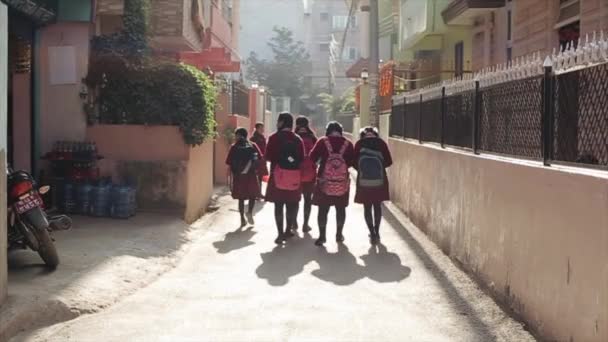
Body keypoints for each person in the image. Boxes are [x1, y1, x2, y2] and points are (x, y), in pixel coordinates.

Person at [309, 121, 355, 246]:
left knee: (323, 209)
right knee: (340, 209)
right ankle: (339, 235)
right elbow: (353, 162)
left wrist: (322, 161)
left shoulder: (322, 141)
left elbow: (312, 158)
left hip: (324, 181)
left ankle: (322, 236)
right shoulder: (348, 144)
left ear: (328, 130)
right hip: (342, 182)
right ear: (340, 131)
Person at [264, 112, 305, 244]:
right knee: (292, 205)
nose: (277, 123)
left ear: (281, 122)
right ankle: (288, 230)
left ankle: (280, 234)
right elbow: (301, 158)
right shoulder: (297, 139)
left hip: (278, 176)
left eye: (278, 121)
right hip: (294, 176)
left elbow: (268, 156)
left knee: (278, 205)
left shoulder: (274, 137)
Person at [353, 126, 393, 245]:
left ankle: (372, 233)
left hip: (363, 181)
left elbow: (354, 162)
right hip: (379, 181)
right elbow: (389, 161)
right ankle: (377, 231)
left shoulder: (359, 144)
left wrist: (363, 171)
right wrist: (378, 168)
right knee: (377, 206)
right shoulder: (381, 143)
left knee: (367, 207)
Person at [226, 127, 263, 227]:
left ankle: (242, 218)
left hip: (239, 176)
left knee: (241, 198)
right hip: (251, 175)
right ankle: (249, 212)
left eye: (236, 135)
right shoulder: (253, 145)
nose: (235, 137)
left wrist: (230, 176)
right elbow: (260, 158)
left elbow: (228, 162)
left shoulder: (234, 147)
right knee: (252, 195)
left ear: (238, 135)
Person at [294, 116, 318, 233]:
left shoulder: (293, 137)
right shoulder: (312, 137)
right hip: (310, 173)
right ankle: (305, 224)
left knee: (294, 199)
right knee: (307, 199)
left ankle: (294, 222)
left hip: (294, 173)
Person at [250, 122, 269, 198]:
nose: (262, 129)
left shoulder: (263, 137)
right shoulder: (253, 138)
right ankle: (254, 193)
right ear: (257, 128)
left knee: (260, 178)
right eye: (261, 128)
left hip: (262, 160)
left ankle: (259, 193)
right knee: (254, 177)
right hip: (255, 160)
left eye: (263, 128)